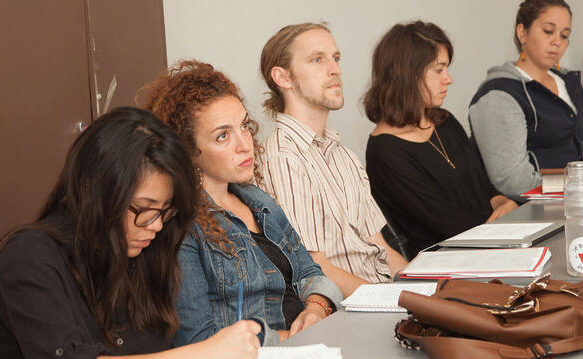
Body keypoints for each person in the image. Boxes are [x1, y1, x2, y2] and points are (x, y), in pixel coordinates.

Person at [0, 107, 261, 358]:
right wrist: (205, 352)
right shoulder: (29, 258)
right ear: (93, 192)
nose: (156, 225)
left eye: (165, 210)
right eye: (144, 209)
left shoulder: (144, 255)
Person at [139, 61, 342, 347]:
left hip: (313, 343)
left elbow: (310, 274)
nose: (245, 143)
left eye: (244, 126)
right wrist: (295, 339)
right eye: (223, 136)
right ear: (188, 152)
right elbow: (199, 340)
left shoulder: (258, 200)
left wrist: (316, 309)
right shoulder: (182, 226)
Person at [258, 22, 407, 297]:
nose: (335, 69)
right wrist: (396, 300)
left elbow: (381, 249)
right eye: (317, 59)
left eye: (335, 58)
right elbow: (315, 267)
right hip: (350, 312)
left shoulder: (343, 155)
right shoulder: (282, 158)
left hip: (384, 297)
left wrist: (424, 290)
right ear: (283, 77)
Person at [362, 21, 518, 260]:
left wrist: (504, 203)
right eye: (439, 70)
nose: (448, 79)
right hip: (450, 262)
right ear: (407, 74)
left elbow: (484, 189)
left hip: (493, 243)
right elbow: (448, 226)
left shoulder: (444, 122)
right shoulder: (384, 150)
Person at [469, 0, 583, 199]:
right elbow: (515, 183)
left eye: (564, 35)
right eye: (548, 31)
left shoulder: (569, 82)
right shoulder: (500, 94)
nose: (557, 41)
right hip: (540, 205)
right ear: (522, 32)